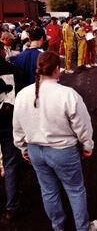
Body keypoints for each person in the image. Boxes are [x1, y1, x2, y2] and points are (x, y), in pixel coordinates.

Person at [13, 51, 97, 231]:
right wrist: (87, 144)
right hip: (63, 151)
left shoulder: (22, 94)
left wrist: (22, 147)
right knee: (75, 190)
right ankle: (83, 228)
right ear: (57, 69)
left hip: (36, 150)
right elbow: (83, 125)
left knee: (49, 190)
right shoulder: (68, 94)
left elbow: (18, 126)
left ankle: (57, 226)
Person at [0, 42, 23, 220]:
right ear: (2, 51)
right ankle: (12, 206)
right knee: (10, 163)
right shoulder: (13, 69)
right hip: (8, 123)